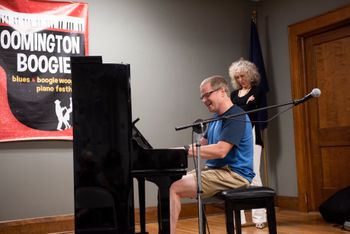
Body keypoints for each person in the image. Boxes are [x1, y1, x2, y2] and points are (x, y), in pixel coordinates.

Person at [170, 75, 254, 234]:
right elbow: (202, 145)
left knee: (174, 187)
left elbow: (221, 151)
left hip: (234, 174)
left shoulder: (236, 116)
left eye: (207, 94)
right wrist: (177, 150)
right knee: (170, 182)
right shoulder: (216, 118)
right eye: (201, 97)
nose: (204, 100)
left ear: (222, 91)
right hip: (218, 172)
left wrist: (185, 151)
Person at [228, 58, 267, 229]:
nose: (239, 80)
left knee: (255, 175)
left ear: (250, 75)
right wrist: (246, 106)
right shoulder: (233, 95)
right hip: (235, 139)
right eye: (236, 77)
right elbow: (231, 114)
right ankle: (240, 219)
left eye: (242, 76)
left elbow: (253, 112)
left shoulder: (258, 91)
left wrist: (242, 109)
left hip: (252, 137)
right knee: (236, 177)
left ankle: (260, 218)